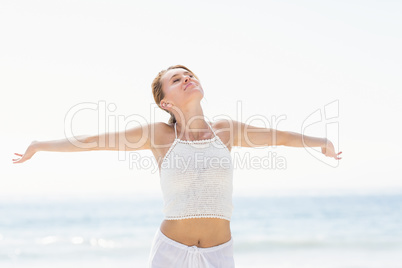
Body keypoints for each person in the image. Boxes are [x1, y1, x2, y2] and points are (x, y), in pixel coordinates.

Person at [12, 64, 343, 267]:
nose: (187, 78)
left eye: (189, 75)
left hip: (219, 254)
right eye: (176, 79)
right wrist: (39, 146)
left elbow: (279, 137)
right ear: (164, 102)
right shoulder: (158, 135)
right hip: (170, 253)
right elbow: (94, 140)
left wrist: (319, 142)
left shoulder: (226, 130)